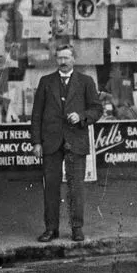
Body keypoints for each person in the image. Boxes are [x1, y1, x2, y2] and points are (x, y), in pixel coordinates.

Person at [31, 43, 102, 242]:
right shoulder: (46, 82)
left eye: (66, 57)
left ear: (74, 59)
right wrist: (36, 142)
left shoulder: (86, 81)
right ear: (56, 59)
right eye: (60, 58)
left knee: (76, 187)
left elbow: (97, 109)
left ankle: (76, 228)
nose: (63, 61)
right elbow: (36, 114)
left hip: (75, 140)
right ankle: (51, 229)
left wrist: (81, 116)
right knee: (51, 187)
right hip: (51, 142)